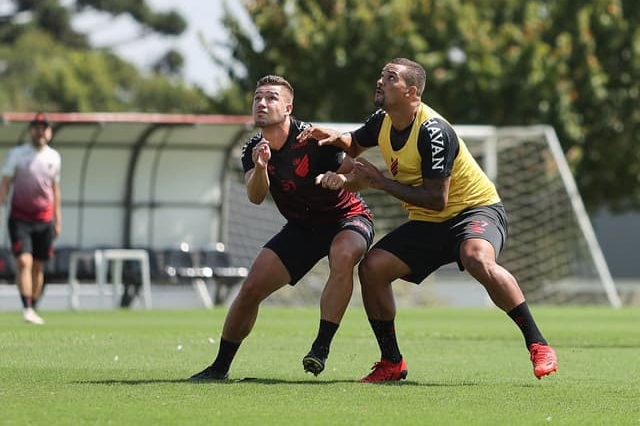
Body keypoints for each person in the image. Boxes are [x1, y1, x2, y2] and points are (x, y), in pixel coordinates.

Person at [300, 57, 558, 382]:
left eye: (390, 78)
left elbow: (439, 200)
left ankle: (538, 344)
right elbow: (355, 144)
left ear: (412, 93)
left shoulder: (433, 131)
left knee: (476, 257)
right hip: (429, 221)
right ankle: (391, 362)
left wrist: (379, 182)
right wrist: (335, 138)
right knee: (372, 269)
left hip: (474, 211)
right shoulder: (382, 121)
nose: (380, 82)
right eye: (381, 76)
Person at [189, 75, 374, 381]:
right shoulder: (253, 149)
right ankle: (219, 367)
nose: (262, 103)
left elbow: (360, 176)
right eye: (257, 97)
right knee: (250, 288)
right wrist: (261, 167)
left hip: (347, 218)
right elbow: (256, 196)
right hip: (303, 227)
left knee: (342, 256)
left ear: (288, 107)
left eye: (271, 98)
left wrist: (341, 180)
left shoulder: (314, 139)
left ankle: (320, 348)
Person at [0, 113, 62, 325]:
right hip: (20, 217)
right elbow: (6, 181)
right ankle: (26, 307)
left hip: (44, 219)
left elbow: (55, 190)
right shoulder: (18, 154)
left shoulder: (54, 157)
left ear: (49, 132)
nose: (40, 131)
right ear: (31, 131)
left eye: (44, 127)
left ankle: (33, 306)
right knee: (24, 262)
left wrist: (58, 218)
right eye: (36, 127)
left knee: (38, 266)